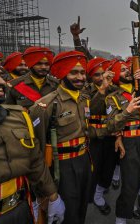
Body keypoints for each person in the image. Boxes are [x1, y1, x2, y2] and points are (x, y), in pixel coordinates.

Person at [0, 43, 65, 223]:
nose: (0, 81)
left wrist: (52, 196)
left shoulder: (16, 116)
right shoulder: (15, 88)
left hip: (22, 210)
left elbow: (34, 161)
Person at [29, 51, 92, 224]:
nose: (80, 77)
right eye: (74, 72)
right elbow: (36, 153)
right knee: (67, 215)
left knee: (82, 208)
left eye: (82, 72)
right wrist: (47, 192)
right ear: (63, 73)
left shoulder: (85, 99)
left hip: (84, 161)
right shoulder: (45, 106)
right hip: (61, 168)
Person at [105, 60, 140, 224]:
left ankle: (133, 202)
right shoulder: (112, 98)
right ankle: (121, 217)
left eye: (128, 69)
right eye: (123, 70)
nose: (127, 71)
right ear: (116, 77)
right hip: (130, 142)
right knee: (130, 183)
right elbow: (111, 125)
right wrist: (127, 111)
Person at [87, 57, 122, 216]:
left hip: (111, 135)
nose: (101, 78)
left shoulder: (114, 88)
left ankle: (99, 193)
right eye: (96, 75)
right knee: (94, 169)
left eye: (103, 74)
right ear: (90, 77)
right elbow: (91, 110)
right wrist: (102, 89)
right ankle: (92, 193)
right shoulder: (85, 90)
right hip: (93, 137)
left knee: (108, 168)